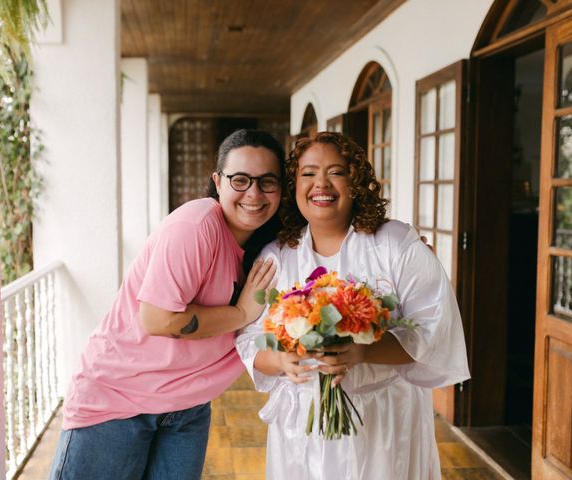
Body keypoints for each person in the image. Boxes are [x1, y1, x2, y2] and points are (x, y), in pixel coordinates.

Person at [48, 129, 285, 480]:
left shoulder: (271, 247)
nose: (254, 193)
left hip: (187, 408)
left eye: (267, 181)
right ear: (217, 182)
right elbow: (158, 319)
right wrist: (240, 314)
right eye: (240, 180)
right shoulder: (197, 224)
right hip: (119, 401)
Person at [236, 131, 470, 479]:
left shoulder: (395, 244)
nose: (321, 184)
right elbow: (249, 339)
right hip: (301, 421)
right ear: (293, 184)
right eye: (308, 173)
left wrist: (364, 350)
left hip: (383, 418)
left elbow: (433, 330)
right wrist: (282, 360)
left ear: (356, 181)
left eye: (337, 171)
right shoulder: (276, 258)